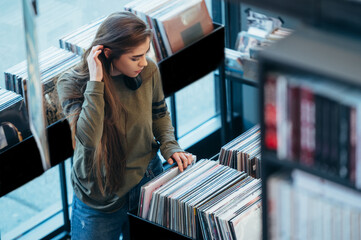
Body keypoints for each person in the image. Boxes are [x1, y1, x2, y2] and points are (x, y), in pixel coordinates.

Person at [57, 11, 194, 240]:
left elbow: (158, 113)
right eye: (135, 57)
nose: (143, 62)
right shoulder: (71, 83)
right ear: (108, 53)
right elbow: (89, 140)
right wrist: (95, 82)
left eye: (145, 53)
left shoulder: (148, 70)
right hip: (98, 196)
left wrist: (170, 146)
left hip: (146, 180)